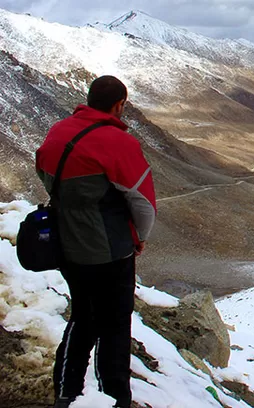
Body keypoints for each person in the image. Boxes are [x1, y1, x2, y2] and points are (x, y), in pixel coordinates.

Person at [35, 76, 157, 408]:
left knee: (82, 318)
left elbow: (44, 171)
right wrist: (139, 237)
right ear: (119, 105)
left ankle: (66, 392)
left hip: (67, 246)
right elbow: (143, 203)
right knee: (114, 325)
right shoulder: (118, 142)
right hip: (110, 251)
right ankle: (115, 398)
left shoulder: (58, 131)